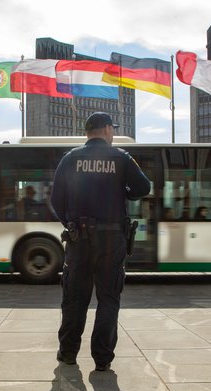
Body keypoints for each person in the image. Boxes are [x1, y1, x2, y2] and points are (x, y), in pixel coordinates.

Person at [51, 112, 151, 371]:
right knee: (108, 299)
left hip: (78, 239)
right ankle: (102, 359)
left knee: (75, 298)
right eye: (112, 129)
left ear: (87, 132)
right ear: (107, 130)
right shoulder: (121, 158)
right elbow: (143, 188)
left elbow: (56, 200)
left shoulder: (70, 158)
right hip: (111, 239)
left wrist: (71, 225)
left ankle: (68, 353)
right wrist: (124, 192)